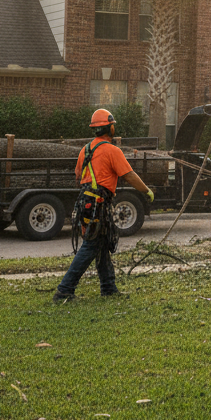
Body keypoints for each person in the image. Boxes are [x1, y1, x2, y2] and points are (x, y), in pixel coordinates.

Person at [52, 109, 154, 303]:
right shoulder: (112, 150)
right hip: (98, 203)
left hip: (86, 201)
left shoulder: (85, 150)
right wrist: (146, 191)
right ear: (110, 127)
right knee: (91, 245)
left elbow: (77, 176)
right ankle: (64, 290)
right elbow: (129, 175)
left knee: (101, 244)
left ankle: (108, 287)